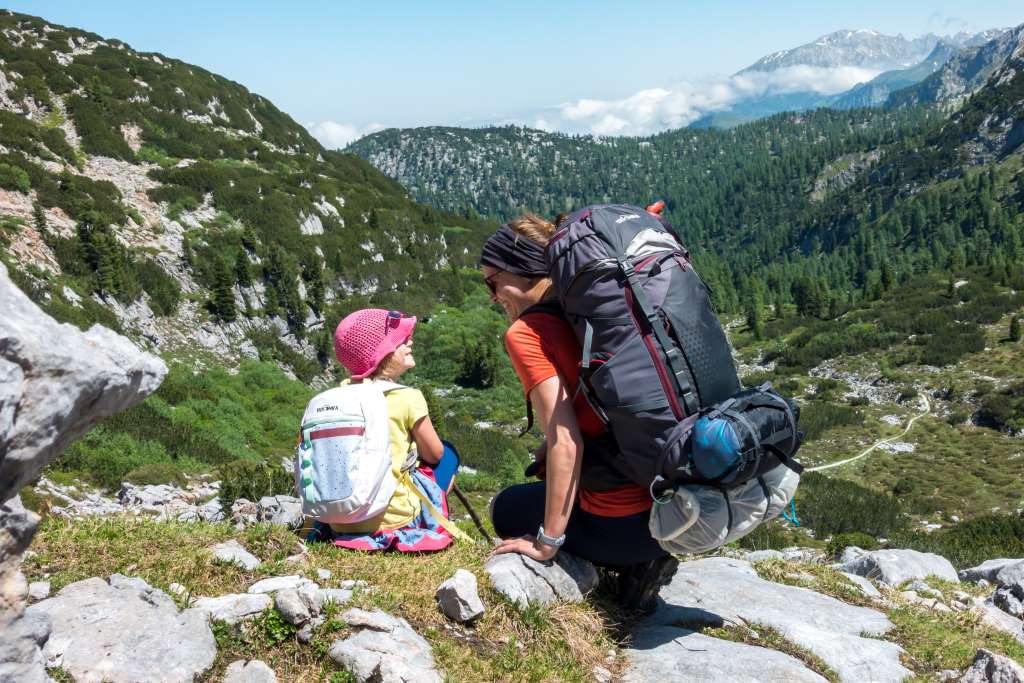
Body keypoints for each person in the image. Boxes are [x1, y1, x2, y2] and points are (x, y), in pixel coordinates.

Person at [481, 216, 678, 611]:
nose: (492, 296)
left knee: (506, 508)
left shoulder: (526, 333)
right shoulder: (593, 311)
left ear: (521, 269)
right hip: (676, 507)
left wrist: (546, 543)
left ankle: (631, 564)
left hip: (623, 530)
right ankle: (645, 556)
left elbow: (566, 440)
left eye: (493, 281)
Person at [308, 308, 460, 552]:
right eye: (402, 340)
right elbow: (435, 455)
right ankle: (428, 519)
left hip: (339, 520)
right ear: (384, 353)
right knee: (449, 455)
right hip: (396, 522)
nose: (410, 341)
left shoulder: (333, 398)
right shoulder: (408, 397)